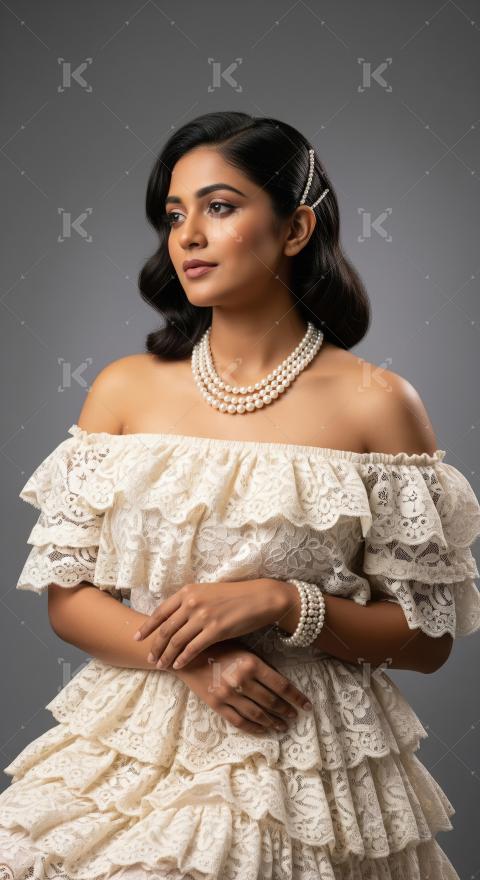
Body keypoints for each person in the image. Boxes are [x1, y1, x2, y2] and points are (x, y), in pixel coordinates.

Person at [1, 110, 479, 880]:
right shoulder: (123, 390)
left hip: (300, 753)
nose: (188, 235)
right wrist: (194, 663)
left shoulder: (379, 404)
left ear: (296, 229)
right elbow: (69, 599)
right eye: (174, 215)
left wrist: (285, 602)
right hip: (126, 742)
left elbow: (427, 640)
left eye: (219, 207)